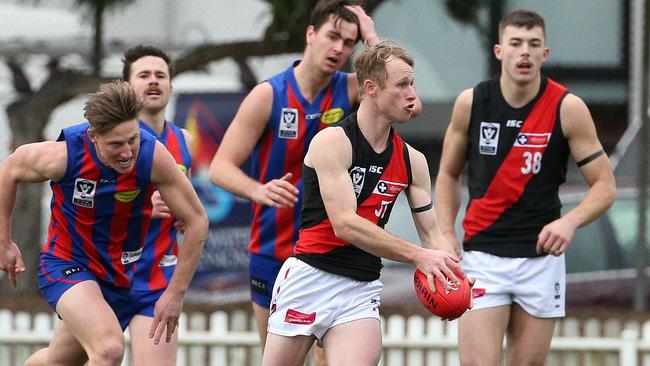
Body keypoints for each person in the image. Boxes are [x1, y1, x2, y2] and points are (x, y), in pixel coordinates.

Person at [209, 1, 415, 355]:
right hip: (275, 246)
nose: (339, 49)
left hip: (333, 254)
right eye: (332, 36)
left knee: (329, 357)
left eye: (349, 42)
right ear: (310, 34)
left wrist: (373, 38)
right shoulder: (268, 94)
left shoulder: (351, 89)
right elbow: (220, 168)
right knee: (277, 355)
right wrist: (258, 189)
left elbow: (400, 92)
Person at [261, 40, 462, 366]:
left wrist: (451, 271)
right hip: (310, 277)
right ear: (370, 88)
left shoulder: (414, 161)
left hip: (360, 287)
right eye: (402, 85)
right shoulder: (332, 141)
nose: (412, 94)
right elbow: (345, 224)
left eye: (413, 84)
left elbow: (431, 235)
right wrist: (418, 255)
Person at [434, 9, 616, 366]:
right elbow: (447, 175)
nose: (525, 53)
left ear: (545, 54)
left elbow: (605, 186)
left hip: (541, 260)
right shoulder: (472, 103)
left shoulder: (568, 107)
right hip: (483, 256)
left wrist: (570, 222)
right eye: (516, 43)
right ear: (499, 50)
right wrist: (444, 233)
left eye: (534, 45)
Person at [0, 81, 208, 366]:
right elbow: (10, 169)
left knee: (59, 360)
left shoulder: (152, 155)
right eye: (116, 144)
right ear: (93, 136)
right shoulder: (63, 156)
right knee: (109, 349)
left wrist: (176, 293)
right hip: (66, 263)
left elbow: (197, 220)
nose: (127, 153)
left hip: (118, 275)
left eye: (132, 139)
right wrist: (4, 242)